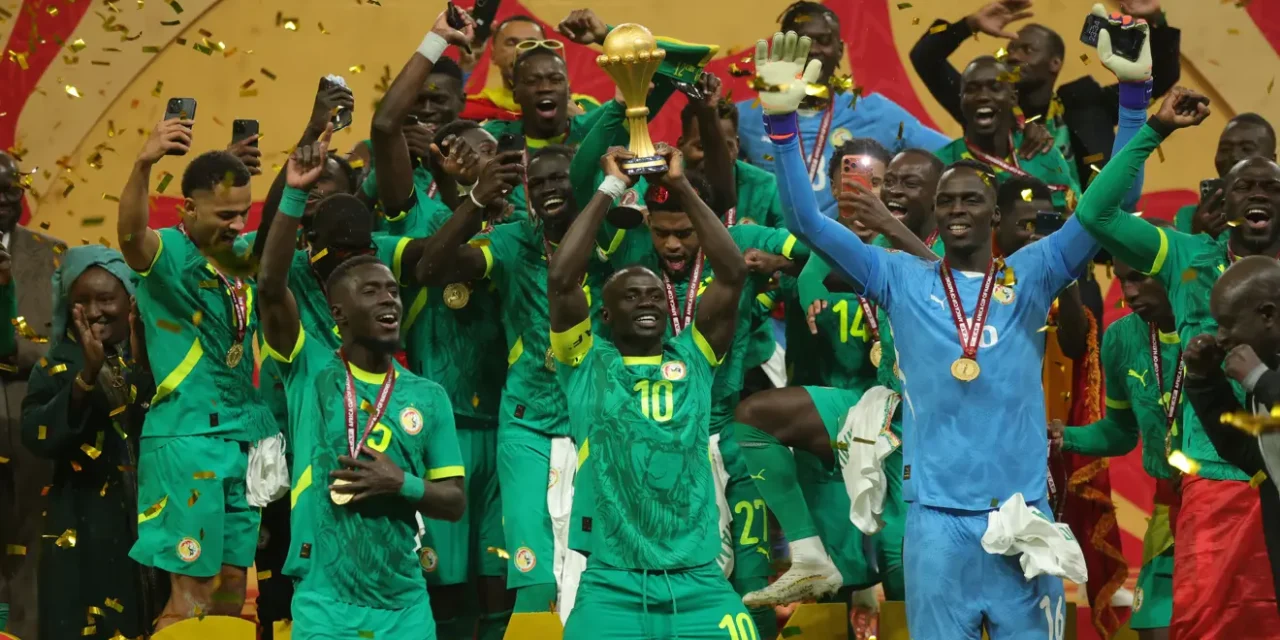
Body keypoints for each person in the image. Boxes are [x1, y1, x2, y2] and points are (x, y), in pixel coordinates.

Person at [758, 29, 1153, 637]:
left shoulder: (1034, 272)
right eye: (948, 202)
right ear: (936, 216)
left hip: (1020, 517)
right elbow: (807, 221)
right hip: (936, 527)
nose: (959, 209)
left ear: (995, 214)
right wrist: (783, 127)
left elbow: (1105, 209)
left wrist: (1133, 99)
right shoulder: (897, 276)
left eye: (972, 200)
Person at [1068, 82, 1280, 637]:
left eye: (1271, 187)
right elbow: (1095, 212)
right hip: (1214, 483)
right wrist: (1154, 129)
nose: (1258, 195)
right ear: (1224, 203)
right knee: (1203, 629)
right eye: (1245, 186)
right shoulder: (1183, 256)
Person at [257, 117, 467, 639]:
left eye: (393, 291)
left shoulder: (428, 397)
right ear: (338, 313)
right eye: (371, 292)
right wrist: (292, 195)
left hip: (404, 604)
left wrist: (401, 483)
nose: (389, 299)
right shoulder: (309, 368)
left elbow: (454, 501)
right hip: (325, 599)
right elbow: (270, 287)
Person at [548, 143, 758, 640]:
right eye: (631, 296)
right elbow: (561, 279)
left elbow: (732, 272)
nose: (647, 301)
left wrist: (680, 185)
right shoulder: (585, 364)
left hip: (700, 583)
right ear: (604, 315)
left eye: (654, 295)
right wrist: (611, 187)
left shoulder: (695, 356)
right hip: (613, 586)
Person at [734, 138, 921, 614]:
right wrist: (790, 259)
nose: (863, 194)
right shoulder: (808, 246)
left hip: (894, 431)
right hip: (824, 438)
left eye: (877, 183)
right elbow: (738, 237)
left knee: (901, 567)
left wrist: (793, 265)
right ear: (833, 189)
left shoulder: (902, 256)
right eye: (851, 183)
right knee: (836, 583)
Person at [414, 138, 591, 615]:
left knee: (589, 562)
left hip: (595, 422)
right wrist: (474, 199)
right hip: (526, 423)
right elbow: (431, 269)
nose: (550, 188)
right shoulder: (513, 242)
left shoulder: (609, 239)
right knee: (532, 567)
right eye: (540, 181)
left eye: (561, 178)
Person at [116, 113, 276, 628]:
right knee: (191, 600)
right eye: (226, 214)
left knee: (231, 594)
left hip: (244, 442)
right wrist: (144, 163)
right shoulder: (167, 252)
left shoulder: (240, 257)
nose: (238, 224)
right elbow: (130, 235)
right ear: (187, 209)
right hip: (186, 440)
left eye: (243, 213)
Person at [19, 246, 168, 640]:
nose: (94, 311)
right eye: (81, 301)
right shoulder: (53, 367)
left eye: (105, 299)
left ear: (130, 301)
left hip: (153, 523)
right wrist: (86, 377)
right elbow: (36, 435)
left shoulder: (156, 359)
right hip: (83, 529)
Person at [1049, 218, 1181, 640]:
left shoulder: (1215, 327)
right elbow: (1121, 431)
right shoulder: (1121, 338)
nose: (1130, 292)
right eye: (1123, 280)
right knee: (1155, 631)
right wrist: (1066, 436)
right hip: (1169, 511)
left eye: (1140, 278)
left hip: (1228, 507)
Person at [911, 0, 1181, 184]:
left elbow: (1160, 78)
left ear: (1055, 63)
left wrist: (1157, 21)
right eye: (1010, 49)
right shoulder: (986, 105)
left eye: (1026, 50)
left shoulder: (1087, 103)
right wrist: (968, 24)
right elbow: (924, 57)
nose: (1013, 56)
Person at [736, 1, 950, 219]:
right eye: (802, 42)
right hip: (773, 238)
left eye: (824, 40)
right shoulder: (745, 117)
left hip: (845, 240)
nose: (813, 50)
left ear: (839, 50)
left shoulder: (877, 113)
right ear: (783, 50)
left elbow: (951, 157)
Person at [1183, 256, 1280, 619]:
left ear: (1267, 315)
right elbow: (1252, 455)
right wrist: (1206, 381)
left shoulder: (1265, 377)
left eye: (1228, 324)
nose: (1221, 337)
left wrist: (1258, 379)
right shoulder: (1269, 369)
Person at [0, 149, 65, 639]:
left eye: (12, 189)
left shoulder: (53, 254)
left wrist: (12, 352)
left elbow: (60, 347)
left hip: (30, 424)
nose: (5, 199)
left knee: (31, 546)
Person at [932, 56, 1080, 211]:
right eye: (972, 89)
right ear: (961, 101)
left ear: (1013, 98)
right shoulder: (941, 165)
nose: (983, 97)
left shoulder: (1043, 154)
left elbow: (1076, 215)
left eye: (995, 88)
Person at [355, 57, 468, 217]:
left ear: (462, 101)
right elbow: (347, 216)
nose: (427, 109)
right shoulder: (370, 151)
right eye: (417, 100)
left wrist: (437, 167)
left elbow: (479, 222)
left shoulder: (479, 151)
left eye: (438, 100)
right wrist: (391, 159)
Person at [678, 80, 786, 228]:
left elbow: (793, 239)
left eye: (724, 147)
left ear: (737, 146)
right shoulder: (658, 181)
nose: (713, 157)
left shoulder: (767, 187)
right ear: (681, 145)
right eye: (702, 147)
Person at [461, 14, 601, 122]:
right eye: (511, 43)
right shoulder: (472, 109)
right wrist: (465, 66)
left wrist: (581, 121)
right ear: (493, 54)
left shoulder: (584, 106)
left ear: (547, 52)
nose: (521, 51)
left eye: (531, 43)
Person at [1174, 113, 1277, 236]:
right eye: (1225, 149)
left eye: (1247, 149)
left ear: (1272, 161)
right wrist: (1197, 233)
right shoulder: (1188, 217)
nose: (1234, 156)